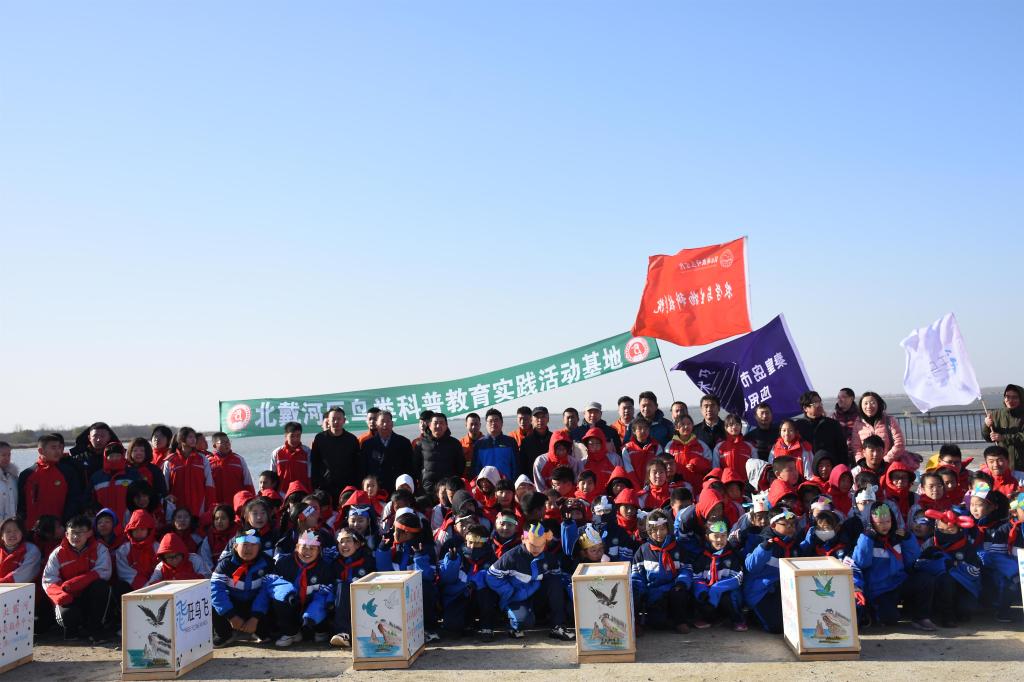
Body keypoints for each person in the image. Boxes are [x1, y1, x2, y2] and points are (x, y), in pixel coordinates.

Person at [852, 502, 935, 630]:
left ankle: (921, 617)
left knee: (925, 579)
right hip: (880, 589)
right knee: (889, 619)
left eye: (887, 521)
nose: (884, 526)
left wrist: (908, 539)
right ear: (871, 523)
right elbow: (861, 563)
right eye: (880, 523)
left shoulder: (896, 537)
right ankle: (872, 611)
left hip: (899, 582)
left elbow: (912, 560)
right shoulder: (867, 539)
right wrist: (867, 539)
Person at [485, 523, 574, 641]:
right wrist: (509, 591)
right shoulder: (512, 557)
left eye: (541, 545)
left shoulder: (549, 558)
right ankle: (512, 624)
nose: (537, 549)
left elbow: (557, 577)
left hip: (536, 595)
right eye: (532, 545)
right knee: (524, 622)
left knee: (555, 581)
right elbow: (491, 576)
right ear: (523, 539)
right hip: (516, 597)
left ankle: (558, 626)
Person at [42, 514, 113, 643]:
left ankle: (95, 629)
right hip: (67, 596)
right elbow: (48, 579)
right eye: (72, 533)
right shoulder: (57, 553)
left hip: (88, 596)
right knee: (68, 615)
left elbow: (104, 571)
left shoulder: (100, 549)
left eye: (80, 532)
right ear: (66, 534)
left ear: (89, 533)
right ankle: (72, 630)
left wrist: (76, 583)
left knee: (101, 586)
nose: (76, 537)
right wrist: (61, 595)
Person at [267, 530, 334, 646]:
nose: (307, 552)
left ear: (319, 550)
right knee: (279, 597)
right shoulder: (284, 563)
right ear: (297, 547)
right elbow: (273, 585)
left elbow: (326, 593)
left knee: (323, 601)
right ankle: (290, 632)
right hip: (293, 603)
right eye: (304, 547)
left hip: (312, 606)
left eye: (312, 548)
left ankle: (320, 630)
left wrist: (312, 613)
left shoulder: (325, 567)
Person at [915, 509, 980, 628]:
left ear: (959, 530)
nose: (945, 533)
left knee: (965, 611)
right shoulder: (930, 543)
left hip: (961, 586)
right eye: (941, 530)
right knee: (944, 579)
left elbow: (975, 572)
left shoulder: (966, 546)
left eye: (950, 530)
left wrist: (956, 565)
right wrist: (937, 563)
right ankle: (946, 616)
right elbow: (918, 565)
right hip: (936, 584)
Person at [630, 510, 692, 634]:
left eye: (662, 529)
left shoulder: (677, 548)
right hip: (653, 592)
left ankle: (680, 622)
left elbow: (686, 569)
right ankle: (638, 623)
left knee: (679, 593)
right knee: (657, 622)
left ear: (668, 528)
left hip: (672, 588)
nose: (659, 533)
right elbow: (637, 575)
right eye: (654, 530)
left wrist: (681, 582)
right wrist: (640, 588)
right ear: (649, 531)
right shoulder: (643, 550)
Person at [211, 529, 275, 647]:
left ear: (259, 547)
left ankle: (260, 631)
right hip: (233, 605)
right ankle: (224, 634)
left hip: (256, 605)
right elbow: (216, 590)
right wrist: (231, 616)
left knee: (274, 599)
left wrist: (255, 618)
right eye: (245, 544)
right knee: (214, 603)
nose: (249, 549)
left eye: (253, 545)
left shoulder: (267, 563)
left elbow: (265, 592)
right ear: (235, 546)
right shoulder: (225, 564)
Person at [437, 523, 499, 640]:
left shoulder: (490, 556)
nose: (472, 546)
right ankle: (467, 623)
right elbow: (447, 579)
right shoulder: (457, 554)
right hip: (459, 595)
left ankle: (486, 626)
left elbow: (489, 573)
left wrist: (474, 582)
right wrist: (452, 561)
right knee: (452, 626)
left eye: (477, 543)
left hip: (480, 595)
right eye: (470, 542)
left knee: (486, 593)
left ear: (485, 543)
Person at [743, 509, 798, 633]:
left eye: (793, 525)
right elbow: (751, 567)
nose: (791, 528)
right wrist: (764, 548)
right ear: (773, 525)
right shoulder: (759, 539)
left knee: (794, 624)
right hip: (763, 590)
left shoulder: (793, 542)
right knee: (776, 628)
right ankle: (752, 614)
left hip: (784, 589)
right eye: (786, 525)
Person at [18, 433, 88, 528]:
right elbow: (20, 505)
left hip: (59, 529)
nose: (58, 451)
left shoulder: (68, 472)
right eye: (53, 448)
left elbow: (74, 501)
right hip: (32, 530)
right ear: (41, 451)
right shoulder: (26, 474)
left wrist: (64, 524)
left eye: (59, 447)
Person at [692, 520, 746, 631]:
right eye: (716, 536)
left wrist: (717, 588)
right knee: (701, 596)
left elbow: (737, 577)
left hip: (726, 590)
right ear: (707, 537)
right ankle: (709, 618)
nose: (720, 540)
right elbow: (696, 577)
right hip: (708, 589)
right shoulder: (702, 556)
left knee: (728, 597)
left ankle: (737, 620)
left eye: (723, 536)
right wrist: (702, 590)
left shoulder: (732, 555)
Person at [329, 527, 376, 648]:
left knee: (345, 586)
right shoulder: (335, 563)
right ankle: (342, 633)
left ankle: (345, 632)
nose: (344, 545)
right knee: (341, 586)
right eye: (341, 542)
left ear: (357, 544)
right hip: (339, 602)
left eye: (348, 541)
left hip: (364, 601)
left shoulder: (368, 560)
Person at [162, 426, 217, 523]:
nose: (194, 439)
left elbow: (209, 484)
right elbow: (164, 487)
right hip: (177, 507)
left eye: (194, 437)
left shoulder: (202, 459)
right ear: (181, 439)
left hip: (199, 505)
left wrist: (210, 507)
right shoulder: (170, 461)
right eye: (190, 437)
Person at [850, 392, 915, 468]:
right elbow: (856, 446)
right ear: (861, 406)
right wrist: (862, 461)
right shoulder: (858, 423)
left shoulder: (889, 420)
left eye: (872, 403)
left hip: (889, 465)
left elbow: (899, 444)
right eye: (866, 403)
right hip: (868, 466)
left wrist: (885, 461)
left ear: (878, 404)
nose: (869, 406)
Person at [310, 407, 361, 499]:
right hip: (325, 487)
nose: (336, 422)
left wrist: (356, 485)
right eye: (333, 419)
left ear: (344, 420)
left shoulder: (351, 439)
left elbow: (357, 464)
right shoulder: (320, 438)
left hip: (347, 487)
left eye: (339, 419)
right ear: (328, 421)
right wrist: (316, 485)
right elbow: (314, 462)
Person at [360, 411, 416, 491]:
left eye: (388, 421)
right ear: (376, 424)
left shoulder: (404, 442)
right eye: (382, 421)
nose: (385, 424)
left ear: (392, 424)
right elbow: (363, 470)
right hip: (376, 489)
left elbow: (410, 468)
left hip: (397, 488)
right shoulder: (367, 444)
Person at [414, 412, 465, 496]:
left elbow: (460, 466)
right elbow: (415, 466)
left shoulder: (455, 443)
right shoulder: (420, 444)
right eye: (435, 423)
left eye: (441, 423)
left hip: (448, 491)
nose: (438, 426)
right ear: (429, 425)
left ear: (446, 426)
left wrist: (452, 484)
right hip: (427, 490)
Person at [794, 391, 850, 467]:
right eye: (815, 403)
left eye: (820, 402)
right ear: (805, 408)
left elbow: (842, 449)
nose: (819, 405)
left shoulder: (832, 424)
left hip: (830, 467)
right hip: (806, 467)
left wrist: (842, 468)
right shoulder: (798, 426)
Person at [91, 442, 140, 526]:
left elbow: (140, 496)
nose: (115, 459)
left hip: (128, 520)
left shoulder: (133, 475)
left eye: (118, 456)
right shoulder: (97, 477)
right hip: (104, 521)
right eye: (111, 456)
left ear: (122, 456)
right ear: (106, 457)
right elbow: (89, 498)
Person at [982, 384, 1024, 471]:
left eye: (1015, 397)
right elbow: (988, 438)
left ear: (1021, 398)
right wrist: (986, 425)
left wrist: (1004, 437)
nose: (1010, 400)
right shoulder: (995, 414)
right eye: (1007, 397)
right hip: (1003, 464)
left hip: (1021, 463)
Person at [206, 432, 254, 507]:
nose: (227, 444)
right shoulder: (207, 461)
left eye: (228, 442)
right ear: (214, 445)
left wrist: (252, 502)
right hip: (217, 506)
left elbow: (248, 482)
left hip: (237, 504)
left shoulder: (239, 459)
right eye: (223, 442)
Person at [471, 409, 518, 480]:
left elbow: (516, 467)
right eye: (490, 421)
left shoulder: (510, 442)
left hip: (506, 485)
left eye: (496, 420)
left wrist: (513, 484)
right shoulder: (479, 444)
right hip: (486, 485)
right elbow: (476, 469)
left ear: (502, 423)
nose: (493, 423)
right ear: (486, 424)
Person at [271, 422, 313, 495]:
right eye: (292, 436)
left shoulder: (307, 452)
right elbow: (272, 475)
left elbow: (310, 475)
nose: (295, 439)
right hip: (282, 493)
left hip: (302, 492)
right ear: (286, 435)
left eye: (298, 436)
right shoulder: (277, 453)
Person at [621, 417, 664, 488]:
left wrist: (649, 485)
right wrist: (637, 487)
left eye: (646, 428)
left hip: (652, 487)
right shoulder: (627, 449)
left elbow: (658, 468)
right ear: (634, 431)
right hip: (634, 486)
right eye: (640, 428)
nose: (643, 431)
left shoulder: (656, 447)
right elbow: (629, 470)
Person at [579, 428, 621, 493]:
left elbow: (621, 479)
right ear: (587, 445)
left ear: (602, 443)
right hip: (590, 496)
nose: (594, 446)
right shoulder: (583, 462)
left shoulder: (614, 458)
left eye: (597, 443)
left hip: (610, 495)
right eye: (591, 444)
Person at [0, 517, 41, 583]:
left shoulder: (31, 550)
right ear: (2, 535)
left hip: (22, 589)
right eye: (8, 531)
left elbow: (24, 576)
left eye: (16, 530)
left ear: (22, 533)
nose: (12, 534)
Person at [519, 407, 554, 474]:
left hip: (551, 478)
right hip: (532, 478)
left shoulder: (554, 439)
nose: (540, 420)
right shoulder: (526, 442)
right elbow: (522, 466)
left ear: (548, 419)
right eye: (537, 417)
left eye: (543, 417)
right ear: (531, 420)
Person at [0, 443, 18, 520]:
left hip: (13, 524)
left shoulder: (14, 477)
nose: (7, 458)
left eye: (9, 455)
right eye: (3, 455)